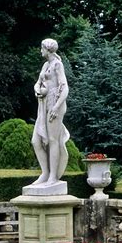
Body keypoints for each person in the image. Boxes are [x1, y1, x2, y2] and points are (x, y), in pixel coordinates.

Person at [31, 38, 70, 186]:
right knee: (36, 141)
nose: (40, 50)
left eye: (42, 48)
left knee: (53, 140)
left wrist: (56, 107)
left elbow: (65, 87)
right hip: (44, 104)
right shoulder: (46, 65)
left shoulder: (57, 65)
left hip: (55, 104)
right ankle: (45, 173)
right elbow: (38, 82)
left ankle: (53, 177)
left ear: (47, 49)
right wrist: (37, 89)